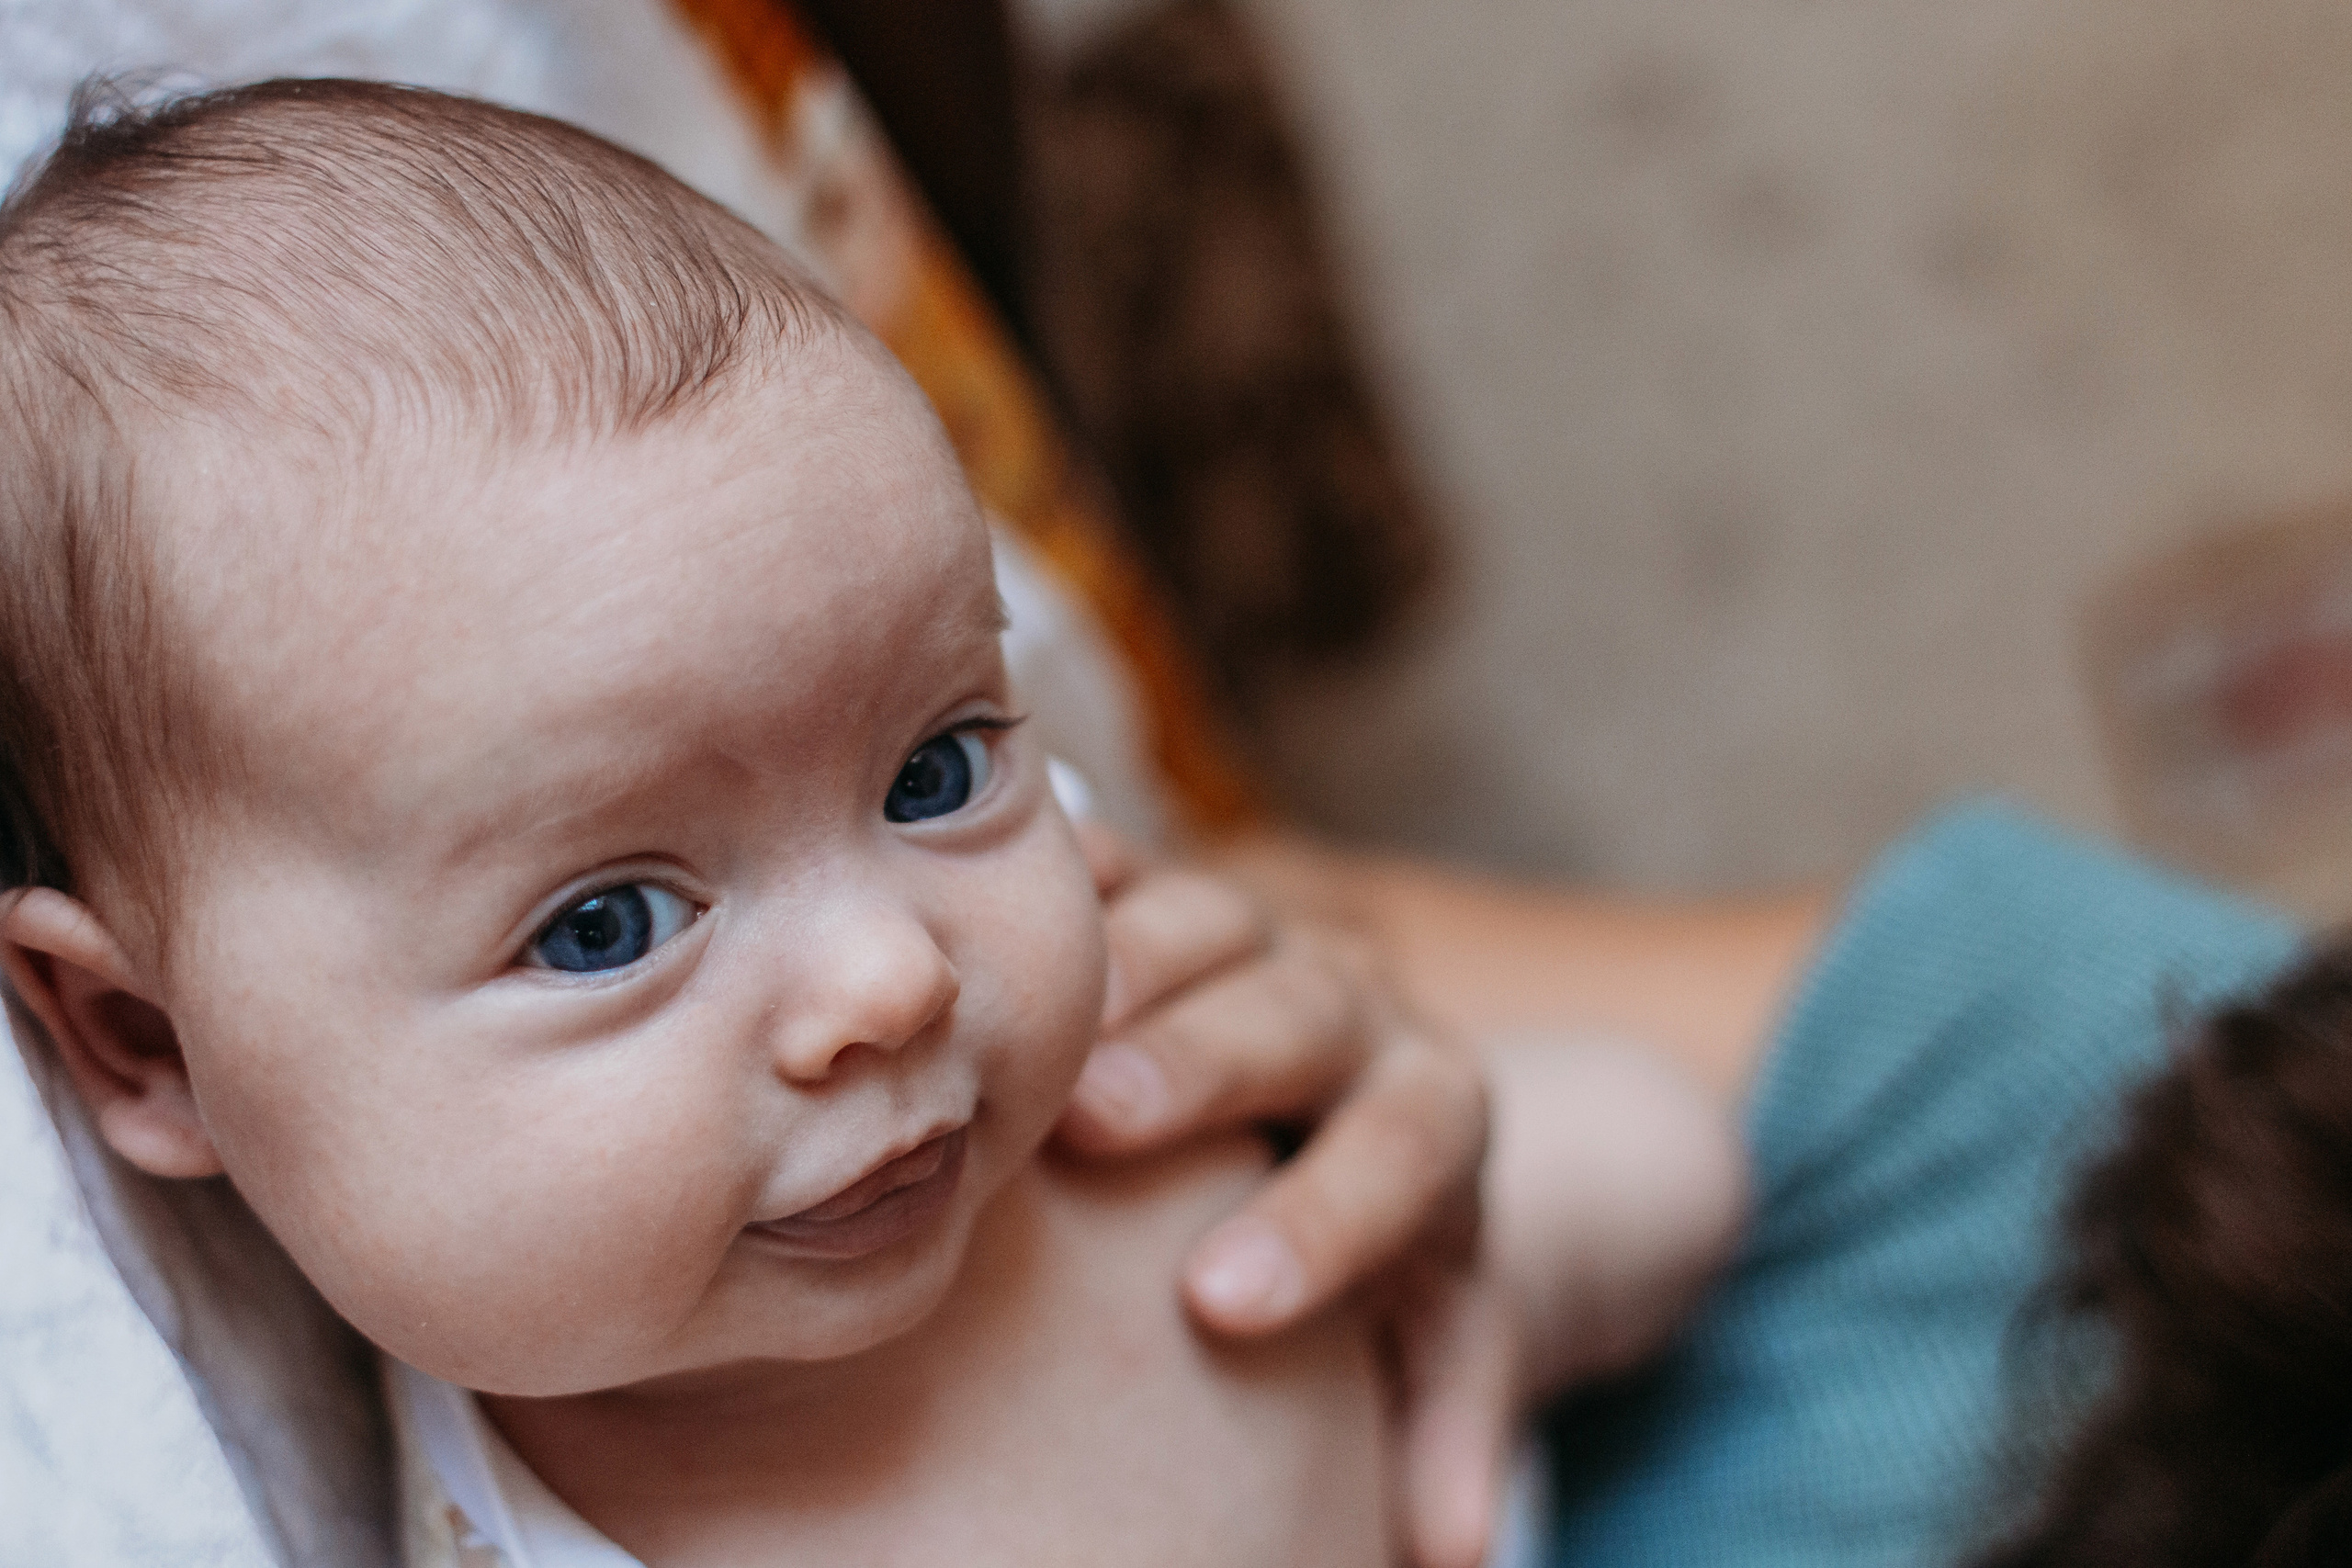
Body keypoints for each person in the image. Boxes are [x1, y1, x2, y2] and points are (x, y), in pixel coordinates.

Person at [0, 79, 1749, 1568]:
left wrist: (1537, 1219)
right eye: (607, 926)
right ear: (146, 1043)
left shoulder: (1087, 1033)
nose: (888, 977)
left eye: (934, 769)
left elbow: (1604, 1176)